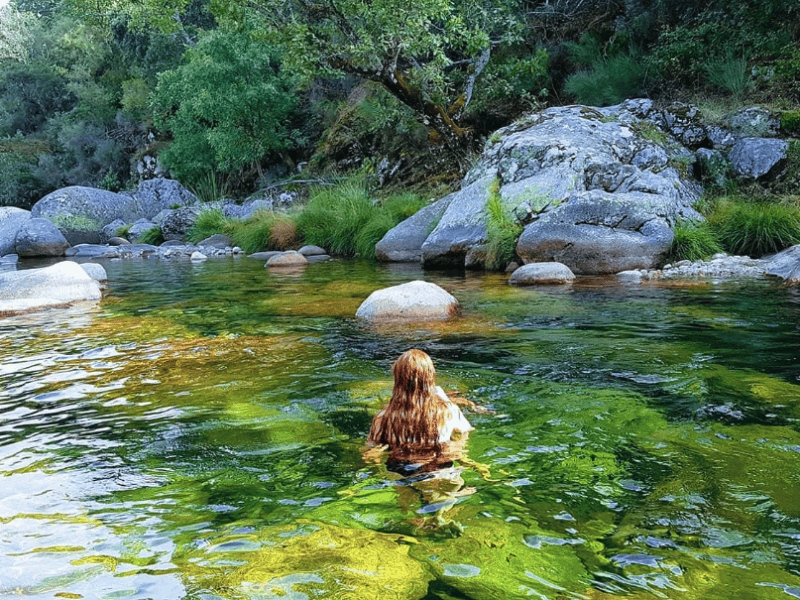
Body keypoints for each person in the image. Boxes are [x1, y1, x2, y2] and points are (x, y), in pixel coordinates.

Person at [367, 349, 474, 473]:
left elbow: (371, 449)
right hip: (440, 469)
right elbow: (463, 435)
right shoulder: (448, 412)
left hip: (398, 472)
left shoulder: (384, 417)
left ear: (397, 379)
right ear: (431, 376)